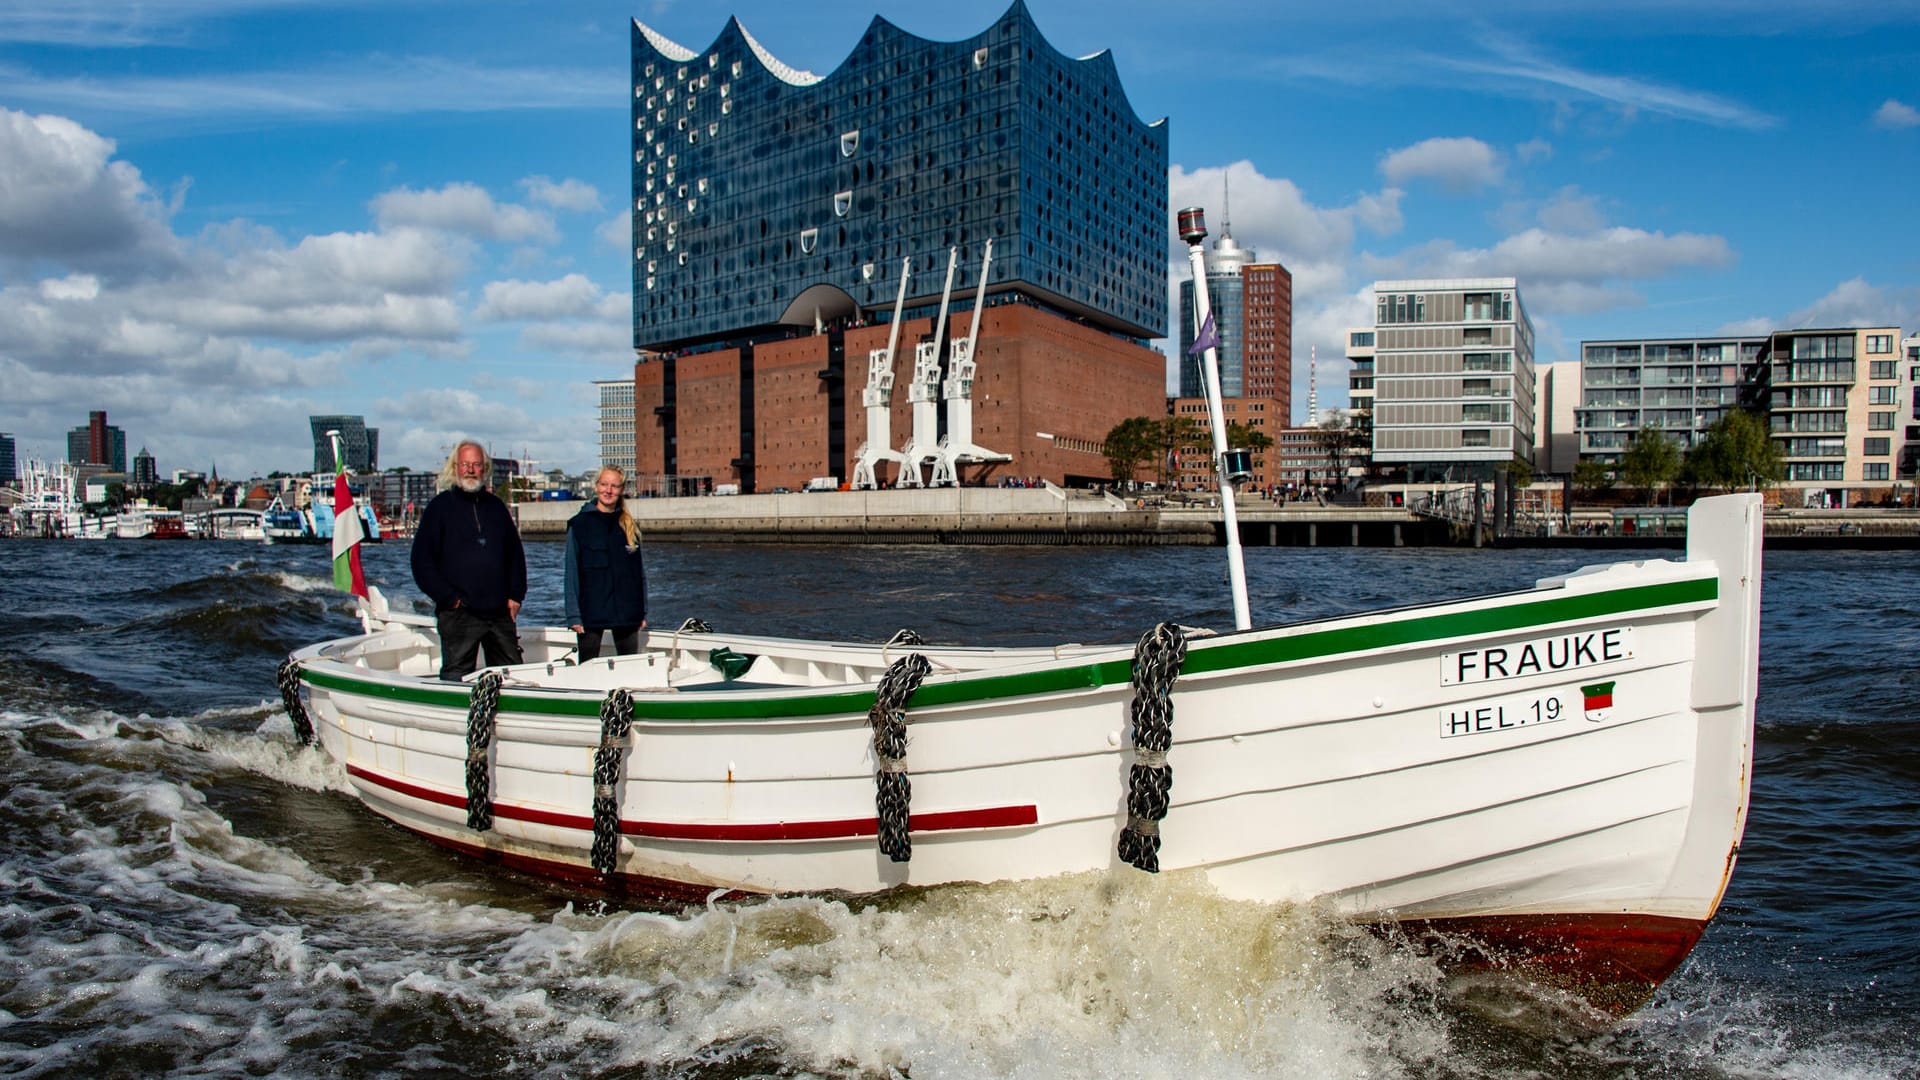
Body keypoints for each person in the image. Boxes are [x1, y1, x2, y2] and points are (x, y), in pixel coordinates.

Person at [410, 440, 528, 680]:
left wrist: (516, 594)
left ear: (484, 469)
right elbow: (421, 562)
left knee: (512, 675)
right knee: (457, 676)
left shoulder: (496, 507)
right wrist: (448, 598)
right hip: (459, 612)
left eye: (476, 465)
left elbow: (515, 555)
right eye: (465, 465)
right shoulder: (439, 508)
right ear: (455, 468)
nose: (471, 470)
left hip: (499, 612)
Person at [563, 465, 648, 661]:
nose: (608, 490)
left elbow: (638, 574)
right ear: (596, 486)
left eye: (614, 486)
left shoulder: (628, 526)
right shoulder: (579, 525)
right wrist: (573, 615)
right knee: (588, 667)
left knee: (629, 666)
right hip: (591, 610)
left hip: (627, 611)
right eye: (604, 484)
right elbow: (571, 572)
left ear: (622, 489)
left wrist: (641, 611)